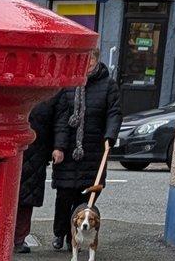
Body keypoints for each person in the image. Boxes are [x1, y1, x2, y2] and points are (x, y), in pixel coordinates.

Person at [51, 58, 122, 250]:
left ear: (96, 62)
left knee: (85, 197)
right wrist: (58, 146)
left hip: (94, 150)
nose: (85, 68)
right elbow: (60, 117)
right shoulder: (68, 84)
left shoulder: (108, 85)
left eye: (89, 64)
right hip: (68, 150)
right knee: (64, 196)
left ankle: (75, 238)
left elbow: (114, 113)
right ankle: (60, 233)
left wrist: (110, 135)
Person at [14, 88, 72, 254]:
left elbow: (61, 121)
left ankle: (19, 238)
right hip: (16, 144)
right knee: (10, 194)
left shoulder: (55, 91)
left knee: (27, 196)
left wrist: (59, 147)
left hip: (37, 148)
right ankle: (8, 236)